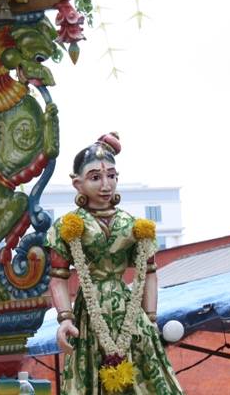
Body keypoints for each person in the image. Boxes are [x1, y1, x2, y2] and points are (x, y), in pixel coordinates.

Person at [44, 133, 184, 394]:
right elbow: (58, 278)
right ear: (77, 184)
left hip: (131, 316)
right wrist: (65, 319)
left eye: (112, 176)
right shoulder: (68, 226)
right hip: (89, 316)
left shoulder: (133, 225)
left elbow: (150, 272)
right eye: (95, 177)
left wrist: (151, 318)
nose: (106, 185)